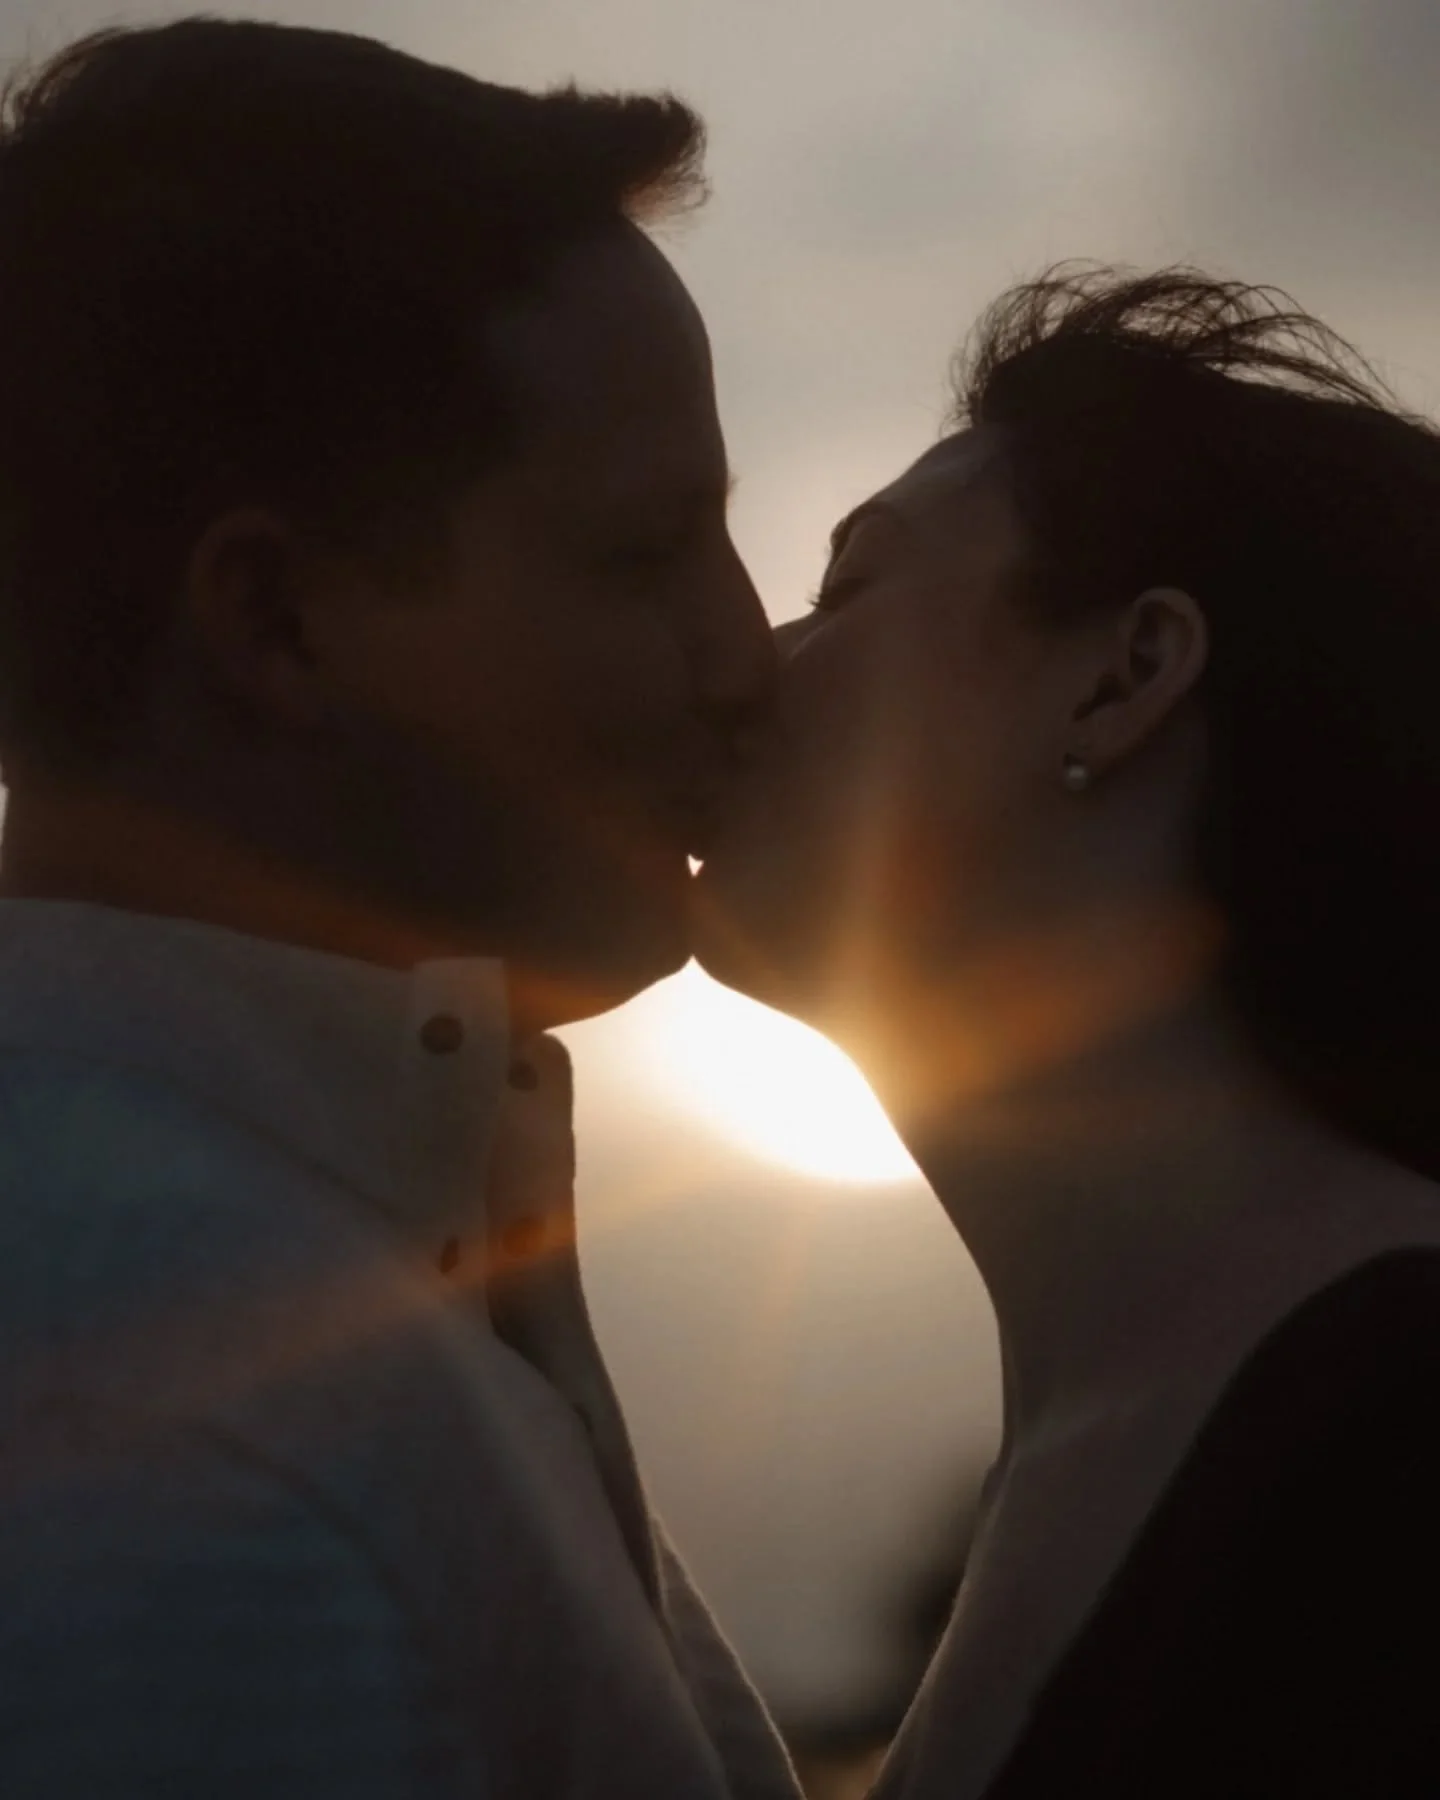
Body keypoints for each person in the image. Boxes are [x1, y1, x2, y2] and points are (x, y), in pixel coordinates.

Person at [0, 20, 799, 1800]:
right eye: (645, 552)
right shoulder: (153, 1420)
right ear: (278, 619)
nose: (752, 660)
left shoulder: (346, 1249)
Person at [694, 267, 1440, 1796]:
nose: (746, 662)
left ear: (1122, 678)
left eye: (848, 591)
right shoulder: (1092, 1451)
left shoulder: (1403, 1457)